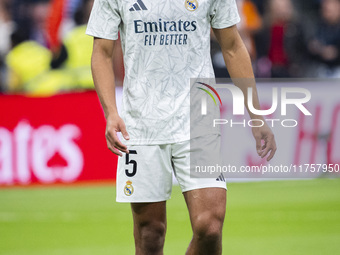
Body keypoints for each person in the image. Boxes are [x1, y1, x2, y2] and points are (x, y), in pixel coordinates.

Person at [86, 0, 276, 254]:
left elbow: (232, 46)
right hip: (142, 123)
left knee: (210, 227)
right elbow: (102, 52)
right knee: (150, 232)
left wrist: (256, 114)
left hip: (199, 117)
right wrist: (111, 112)